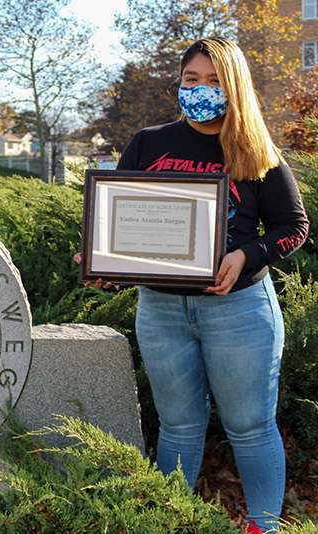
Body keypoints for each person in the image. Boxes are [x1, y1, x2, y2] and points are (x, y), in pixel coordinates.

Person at [112, 38, 309, 533]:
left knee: (250, 427)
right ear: (178, 83)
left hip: (239, 311)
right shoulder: (147, 143)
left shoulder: (254, 148)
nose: (201, 90)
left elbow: (294, 226)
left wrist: (245, 255)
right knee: (177, 426)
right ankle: (170, 522)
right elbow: (117, 219)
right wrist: (104, 261)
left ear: (234, 85)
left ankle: (263, 526)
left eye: (214, 81)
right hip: (160, 310)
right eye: (191, 80)